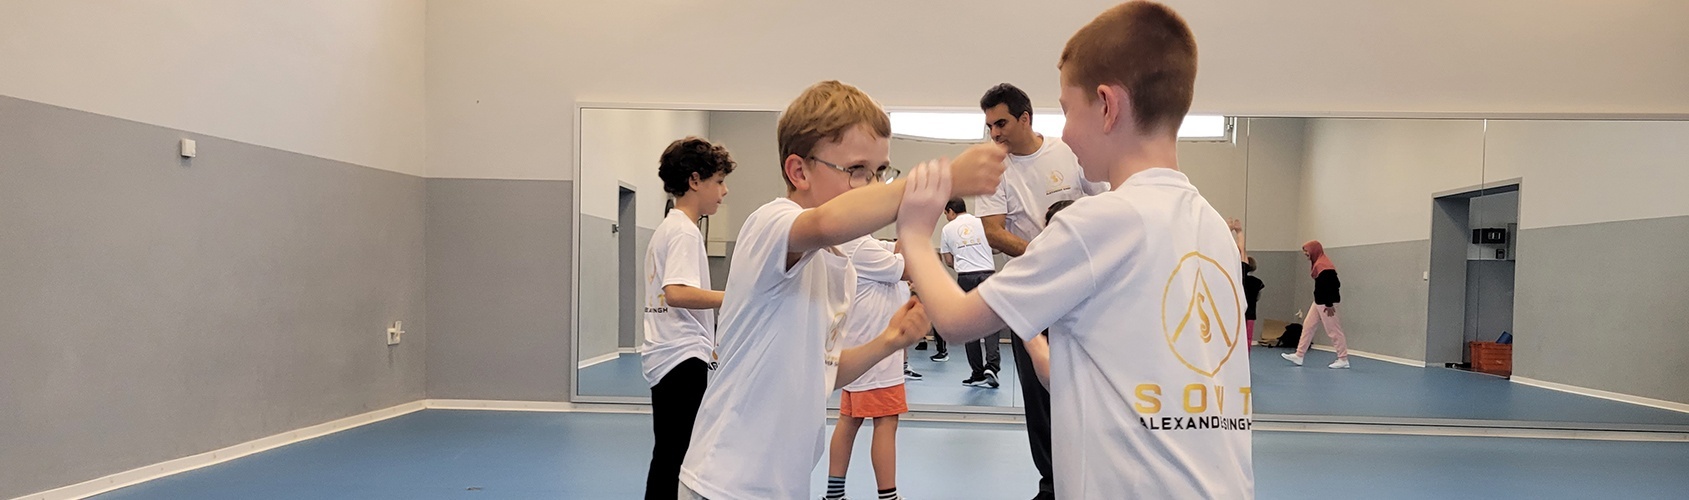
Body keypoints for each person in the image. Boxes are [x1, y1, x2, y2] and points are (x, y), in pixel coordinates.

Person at [896, 2, 1254, 498]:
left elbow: (955, 322)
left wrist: (915, 232)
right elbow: (1078, 370)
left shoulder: (1098, 221)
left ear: (1107, 105)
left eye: (1067, 109)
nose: (1063, 131)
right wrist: (1031, 329)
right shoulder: (1212, 226)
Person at [678, 80, 1006, 500]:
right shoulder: (772, 223)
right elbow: (826, 222)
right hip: (723, 482)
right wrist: (943, 180)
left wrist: (891, 341)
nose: (871, 186)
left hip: (781, 485)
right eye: (856, 171)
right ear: (799, 171)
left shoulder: (840, 265)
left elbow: (822, 372)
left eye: (880, 172)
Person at [974, 81, 1110, 500]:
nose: (994, 134)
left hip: (1082, 295)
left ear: (1025, 118)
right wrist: (1045, 255)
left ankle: (1092, 481)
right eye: (989, 126)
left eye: (1001, 123)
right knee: (1039, 397)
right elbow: (993, 232)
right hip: (1030, 296)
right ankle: (1052, 485)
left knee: (1090, 389)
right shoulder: (994, 171)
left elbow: (1101, 204)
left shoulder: (1066, 154)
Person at [641, 137, 734, 499]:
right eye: (719, 182)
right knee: (676, 456)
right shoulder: (682, 230)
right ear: (695, 180)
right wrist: (736, 298)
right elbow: (677, 292)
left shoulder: (671, 226)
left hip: (670, 355)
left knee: (669, 453)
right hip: (681, 356)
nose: (723, 192)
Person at [825, 237, 912, 500]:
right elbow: (906, 266)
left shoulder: (856, 243)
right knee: (886, 421)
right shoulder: (860, 247)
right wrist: (912, 222)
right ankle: (889, 496)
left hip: (857, 348)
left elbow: (894, 248)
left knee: (848, 421)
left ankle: (834, 494)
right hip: (876, 355)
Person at [939, 198, 1001, 388]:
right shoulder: (982, 222)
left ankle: (977, 372)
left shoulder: (947, 230)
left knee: (969, 326)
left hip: (966, 277)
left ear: (950, 211)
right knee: (991, 322)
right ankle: (992, 366)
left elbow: (948, 261)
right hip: (988, 274)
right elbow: (998, 246)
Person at [1281, 240, 1350, 369]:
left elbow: (1333, 285)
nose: (1305, 254)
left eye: (1307, 251)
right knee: (1308, 326)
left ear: (1314, 251)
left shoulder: (1325, 266)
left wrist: (1329, 304)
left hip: (1327, 304)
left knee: (1334, 330)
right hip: (1319, 301)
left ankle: (1343, 358)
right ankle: (1299, 355)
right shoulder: (1318, 264)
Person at [1229, 219, 1265, 347]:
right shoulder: (1241, 271)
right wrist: (1239, 232)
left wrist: (1229, 230)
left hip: (1237, 311)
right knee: (1246, 339)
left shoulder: (1233, 271)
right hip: (1246, 312)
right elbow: (1241, 250)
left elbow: (1238, 250)